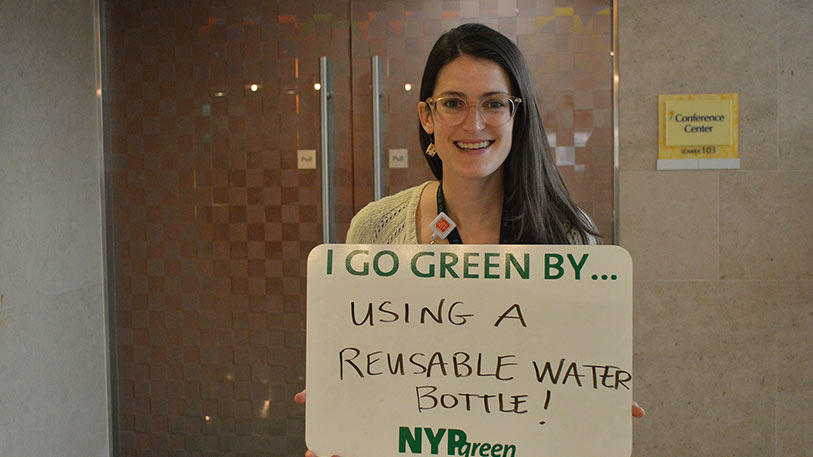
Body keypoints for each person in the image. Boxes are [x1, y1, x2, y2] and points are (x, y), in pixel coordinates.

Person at [294, 23, 643, 457]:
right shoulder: (375, 230)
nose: (473, 123)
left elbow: (570, 377)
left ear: (517, 115)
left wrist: (592, 407)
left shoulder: (569, 236)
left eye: (494, 103)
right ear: (427, 116)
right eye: (453, 103)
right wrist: (343, 408)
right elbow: (372, 368)